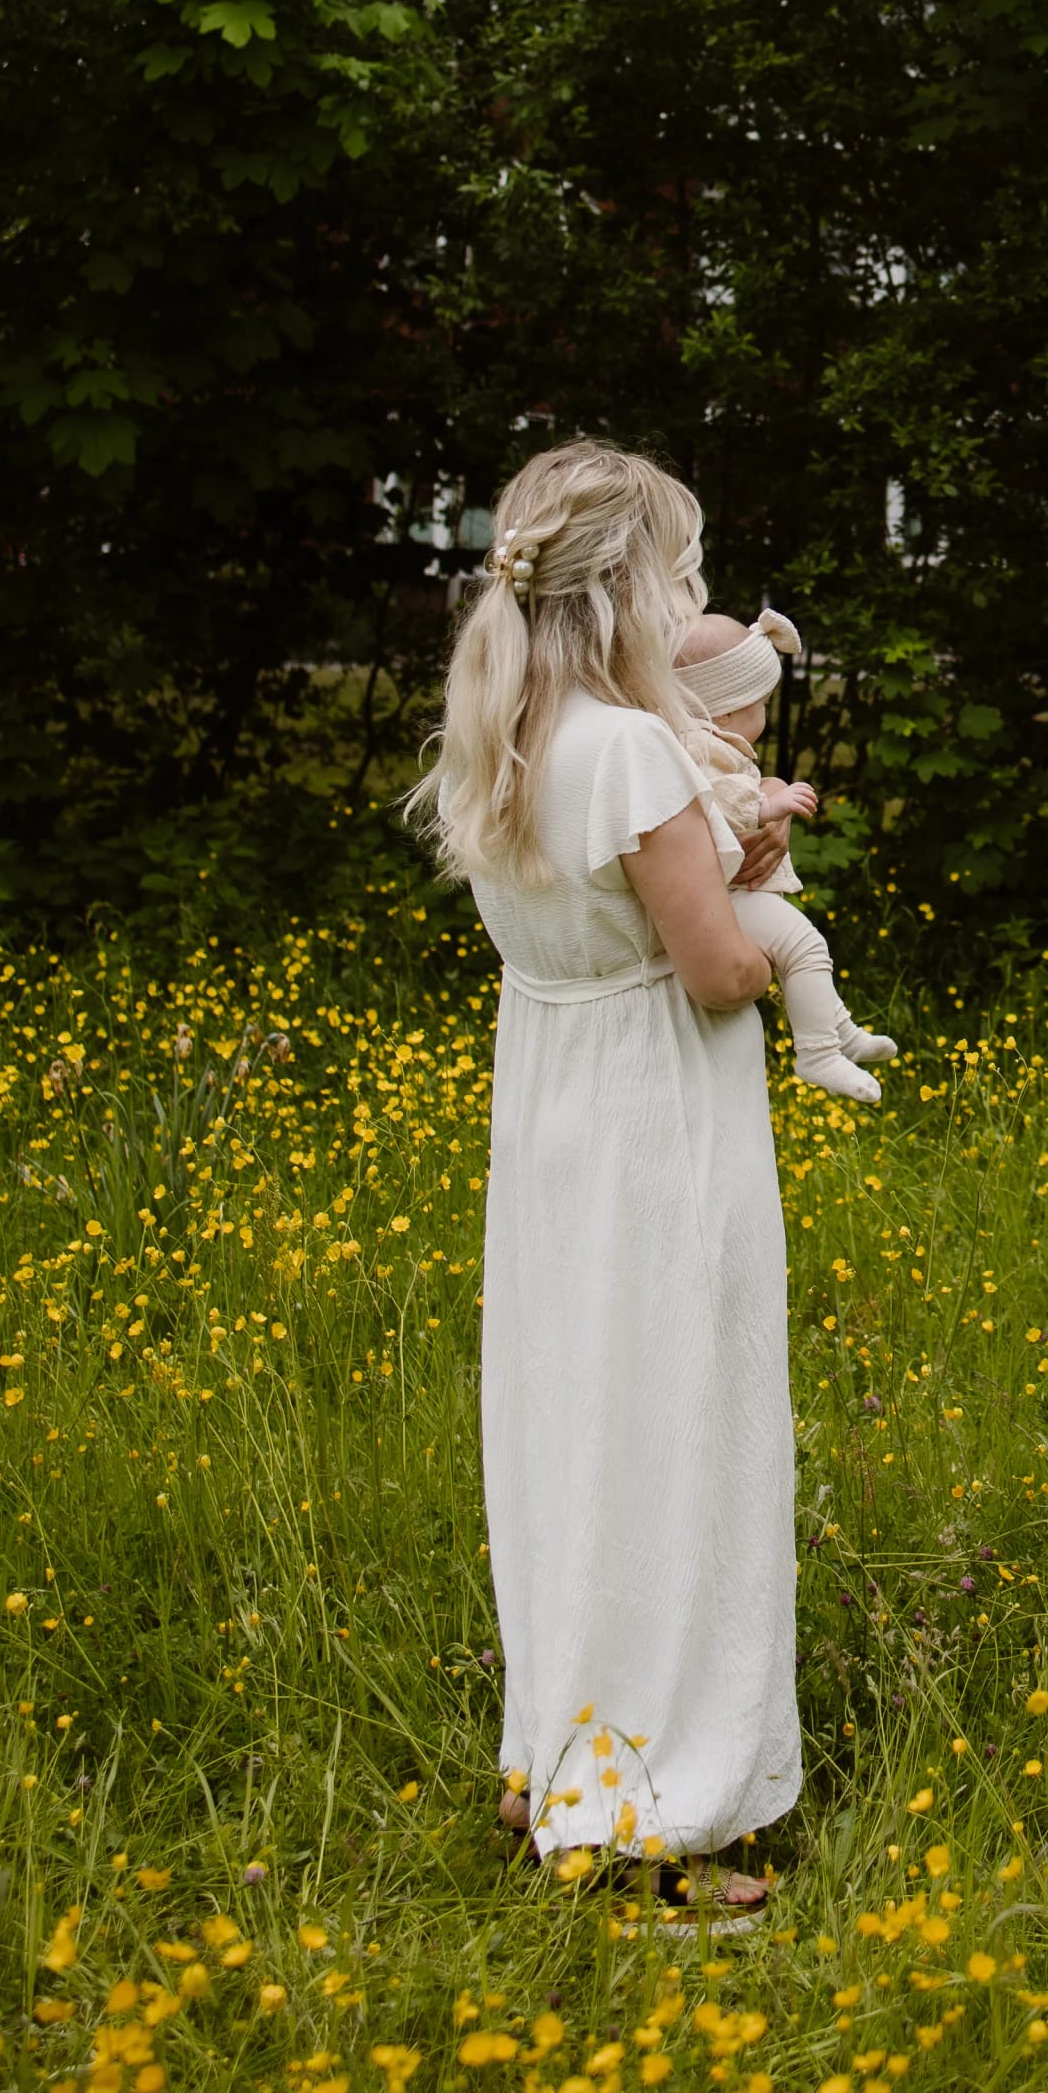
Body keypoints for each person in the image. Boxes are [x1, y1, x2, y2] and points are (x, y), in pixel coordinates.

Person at [407, 440, 797, 1918]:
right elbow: (710, 974)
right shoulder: (634, 750)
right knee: (672, 1444)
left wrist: (722, 868)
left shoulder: (510, 728)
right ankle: (647, 1811)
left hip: (552, 1112)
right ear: (635, 588)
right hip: (655, 1120)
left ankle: (555, 1757)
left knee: (575, 1433)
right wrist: (767, 922)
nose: (695, 597)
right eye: (686, 573)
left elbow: (595, 923)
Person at [675, 603, 899, 1105]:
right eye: (761, 704)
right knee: (803, 946)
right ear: (726, 709)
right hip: (716, 894)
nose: (766, 715)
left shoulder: (705, 738)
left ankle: (836, 1028)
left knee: (804, 947)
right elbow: (714, 800)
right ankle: (818, 1050)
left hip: (723, 887)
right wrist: (768, 803)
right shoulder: (697, 746)